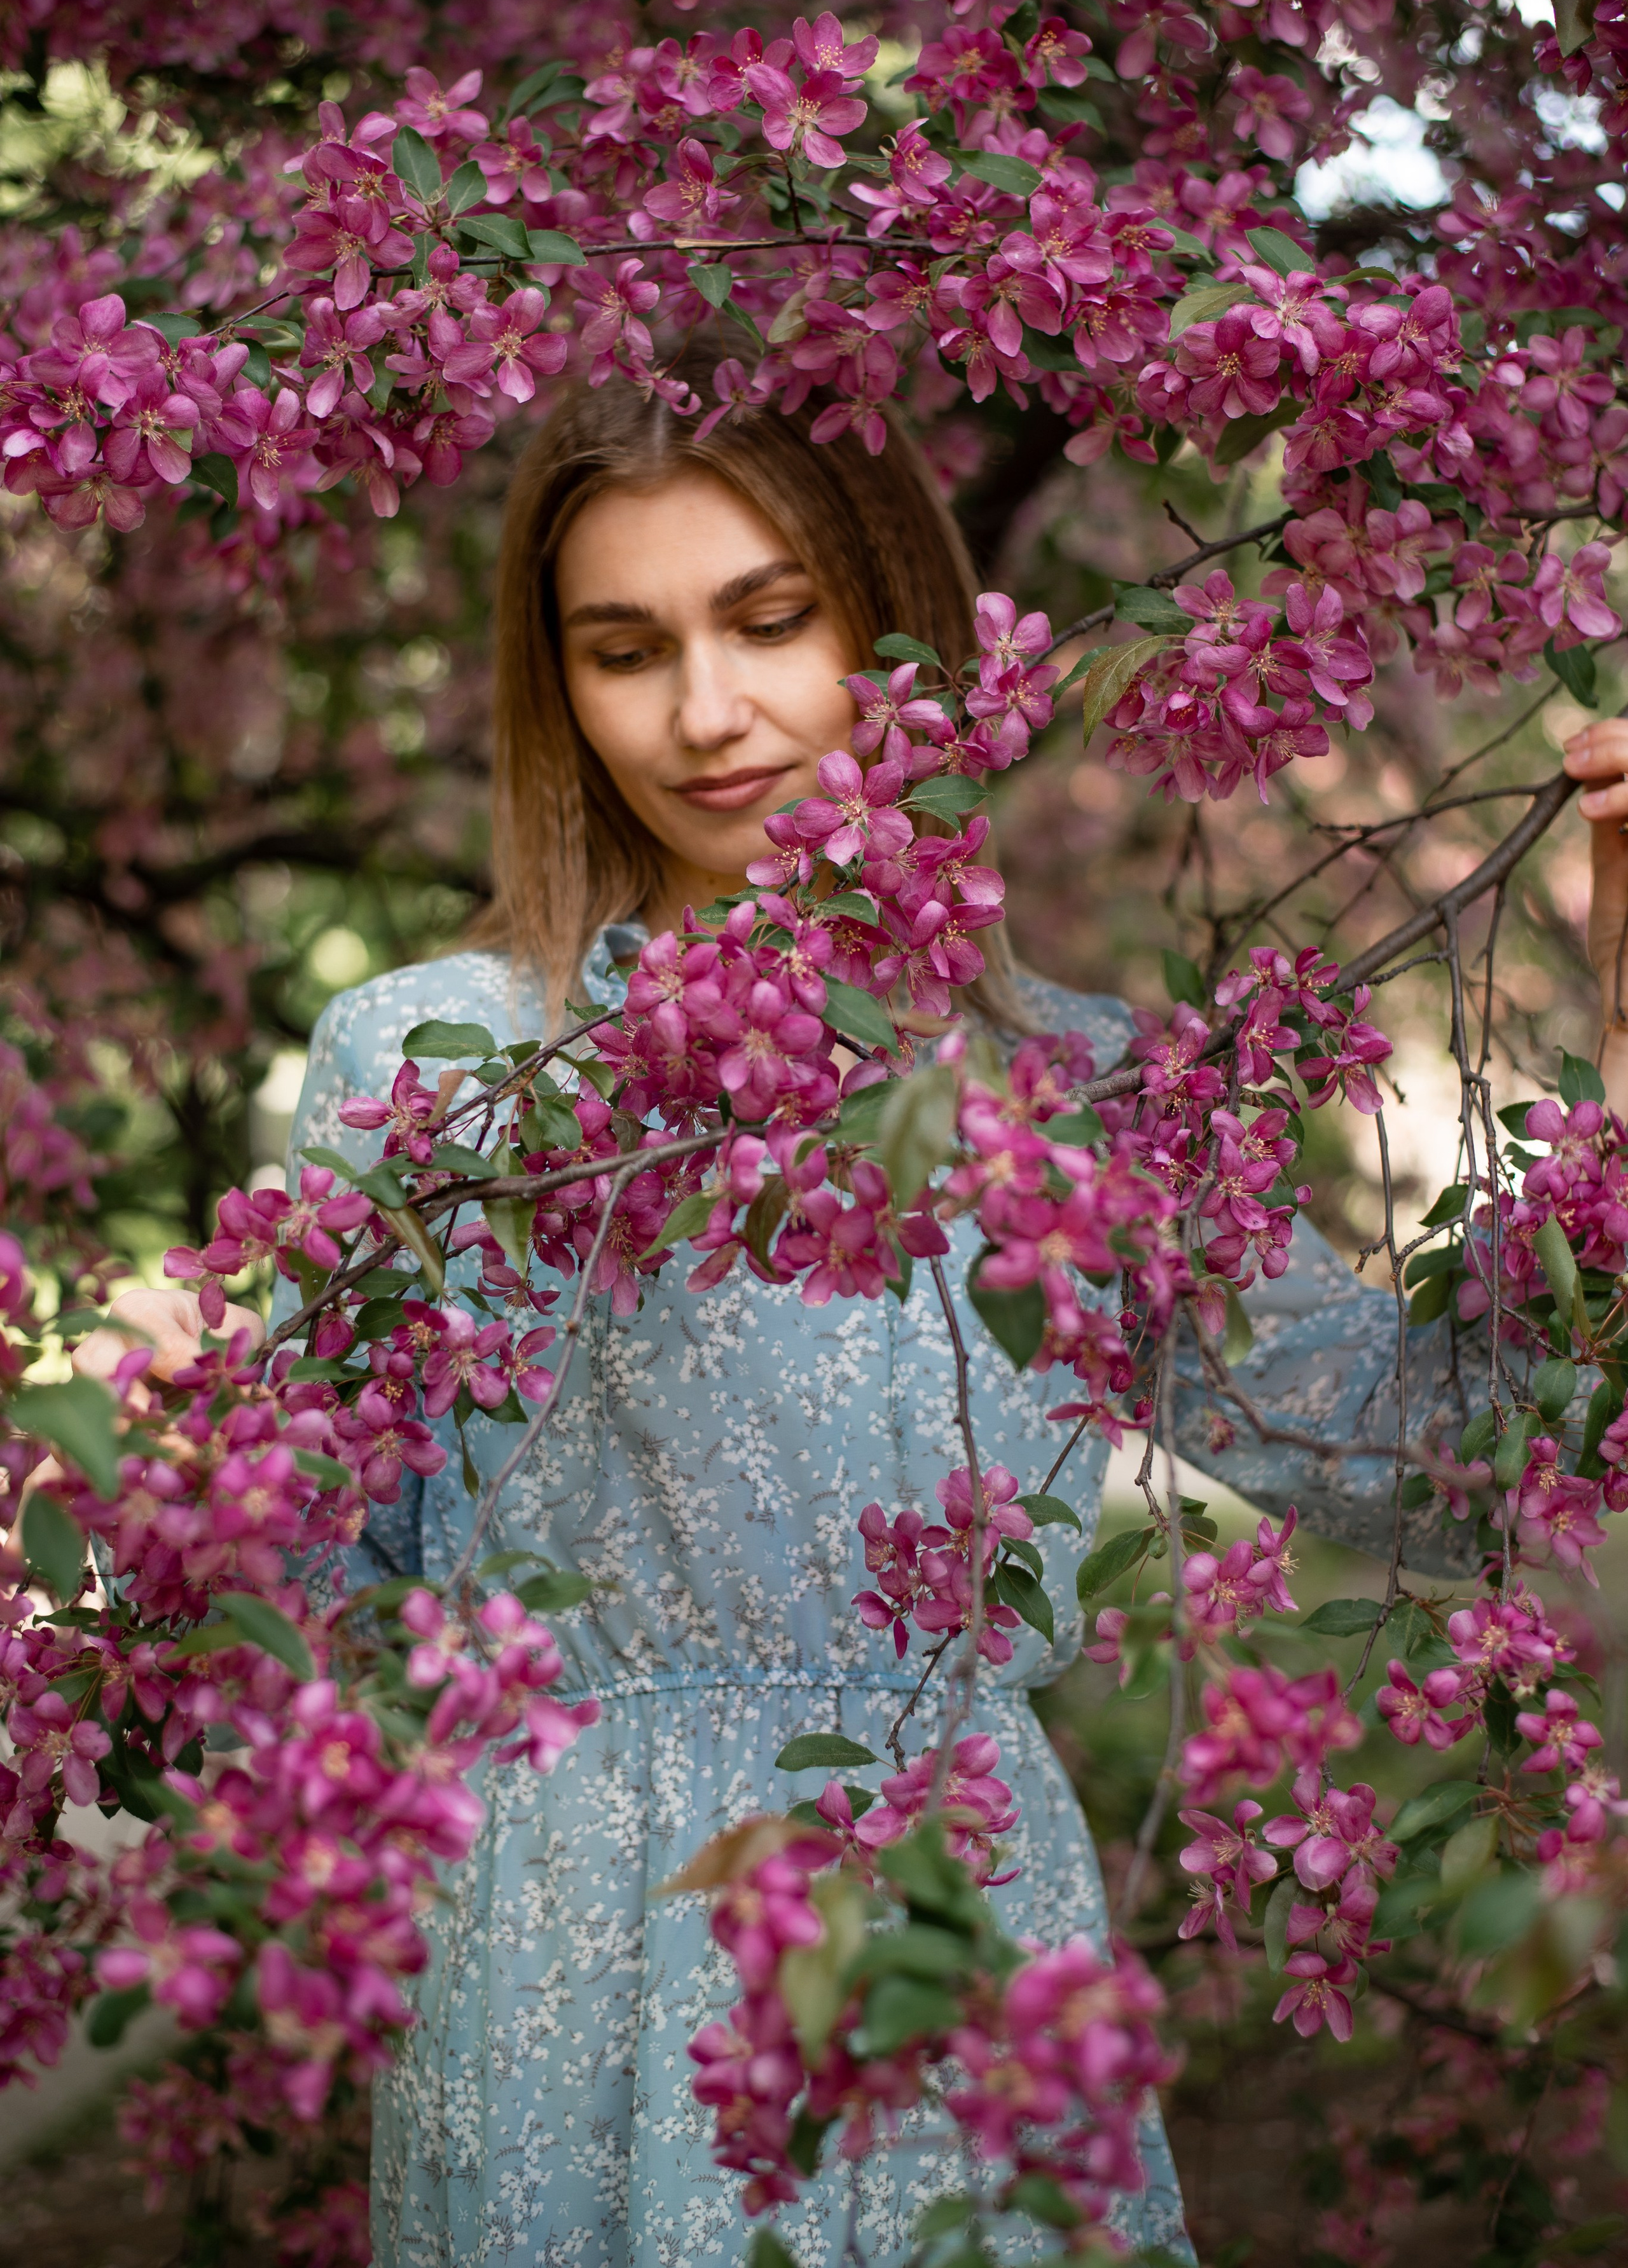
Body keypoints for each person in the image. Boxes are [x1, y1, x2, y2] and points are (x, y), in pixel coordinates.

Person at [86, 363, 1628, 2268]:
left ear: (897, 636)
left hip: (949, 1937)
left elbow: (1444, 1464)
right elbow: (309, 1602)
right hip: (553, 1971)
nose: (704, 713)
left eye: (769, 621)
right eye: (624, 649)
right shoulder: (433, 1062)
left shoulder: (1078, 1095)